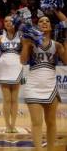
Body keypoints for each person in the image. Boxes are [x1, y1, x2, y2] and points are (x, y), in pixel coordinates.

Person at [20, 10, 67, 151]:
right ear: (37, 27)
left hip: (50, 86)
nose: (44, 22)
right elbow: (22, 61)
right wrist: (26, 45)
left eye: (47, 21)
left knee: (51, 121)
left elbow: (66, 61)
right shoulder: (31, 43)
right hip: (34, 85)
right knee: (36, 122)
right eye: (41, 21)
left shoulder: (57, 45)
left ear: (51, 27)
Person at [0, 15, 22, 133]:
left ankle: (14, 125)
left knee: (14, 99)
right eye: (5, 21)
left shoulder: (21, 37)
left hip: (17, 66)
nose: (8, 22)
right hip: (3, 67)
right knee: (6, 99)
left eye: (10, 20)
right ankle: (7, 125)